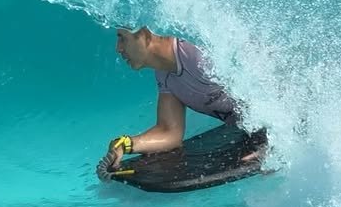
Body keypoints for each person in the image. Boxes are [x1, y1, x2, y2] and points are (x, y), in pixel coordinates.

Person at [95, 26, 258, 182]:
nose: (118, 48)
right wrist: (126, 144)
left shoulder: (197, 55)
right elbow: (170, 132)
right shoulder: (164, 75)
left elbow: (267, 88)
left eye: (122, 38)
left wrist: (269, 142)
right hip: (251, 130)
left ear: (145, 34)